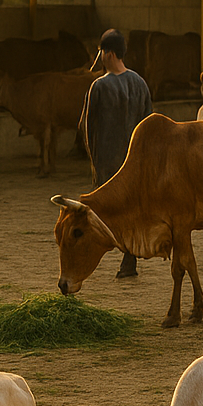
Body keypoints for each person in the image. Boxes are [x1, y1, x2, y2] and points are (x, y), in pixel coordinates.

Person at [78, 28, 154, 278]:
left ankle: (87, 258)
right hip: (134, 163)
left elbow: (86, 127)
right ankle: (129, 259)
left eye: (100, 52)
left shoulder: (99, 86)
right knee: (131, 210)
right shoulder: (140, 83)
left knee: (100, 212)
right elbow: (148, 125)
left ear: (108, 54)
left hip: (108, 163)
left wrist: (94, 161)